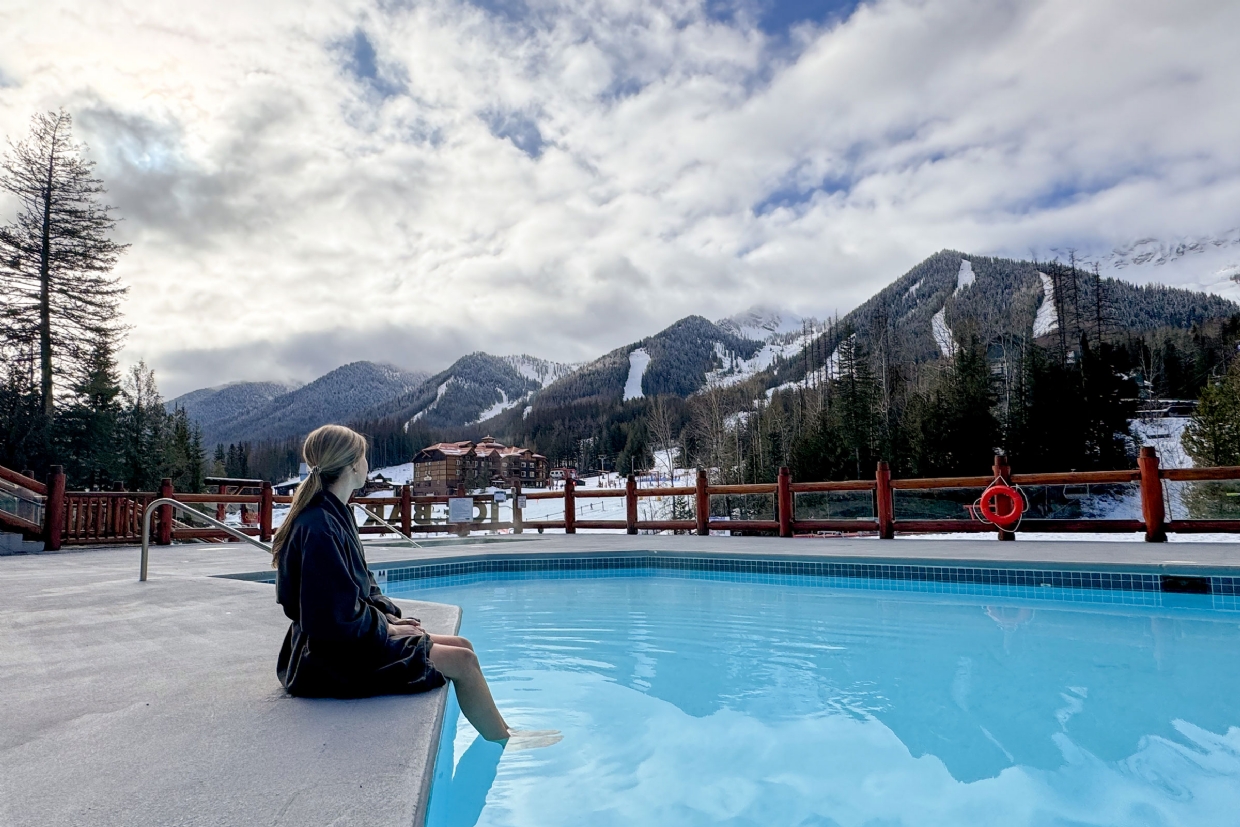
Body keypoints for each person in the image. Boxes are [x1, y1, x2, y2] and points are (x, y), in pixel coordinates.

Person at [272, 424, 557, 746]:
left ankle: (502, 730)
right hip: (327, 660)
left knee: (462, 645)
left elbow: (363, 589)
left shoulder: (335, 514)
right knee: (461, 662)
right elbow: (328, 620)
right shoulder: (320, 527)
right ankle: (503, 740)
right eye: (364, 457)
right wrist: (387, 630)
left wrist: (390, 620)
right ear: (353, 465)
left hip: (346, 642)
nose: (368, 464)